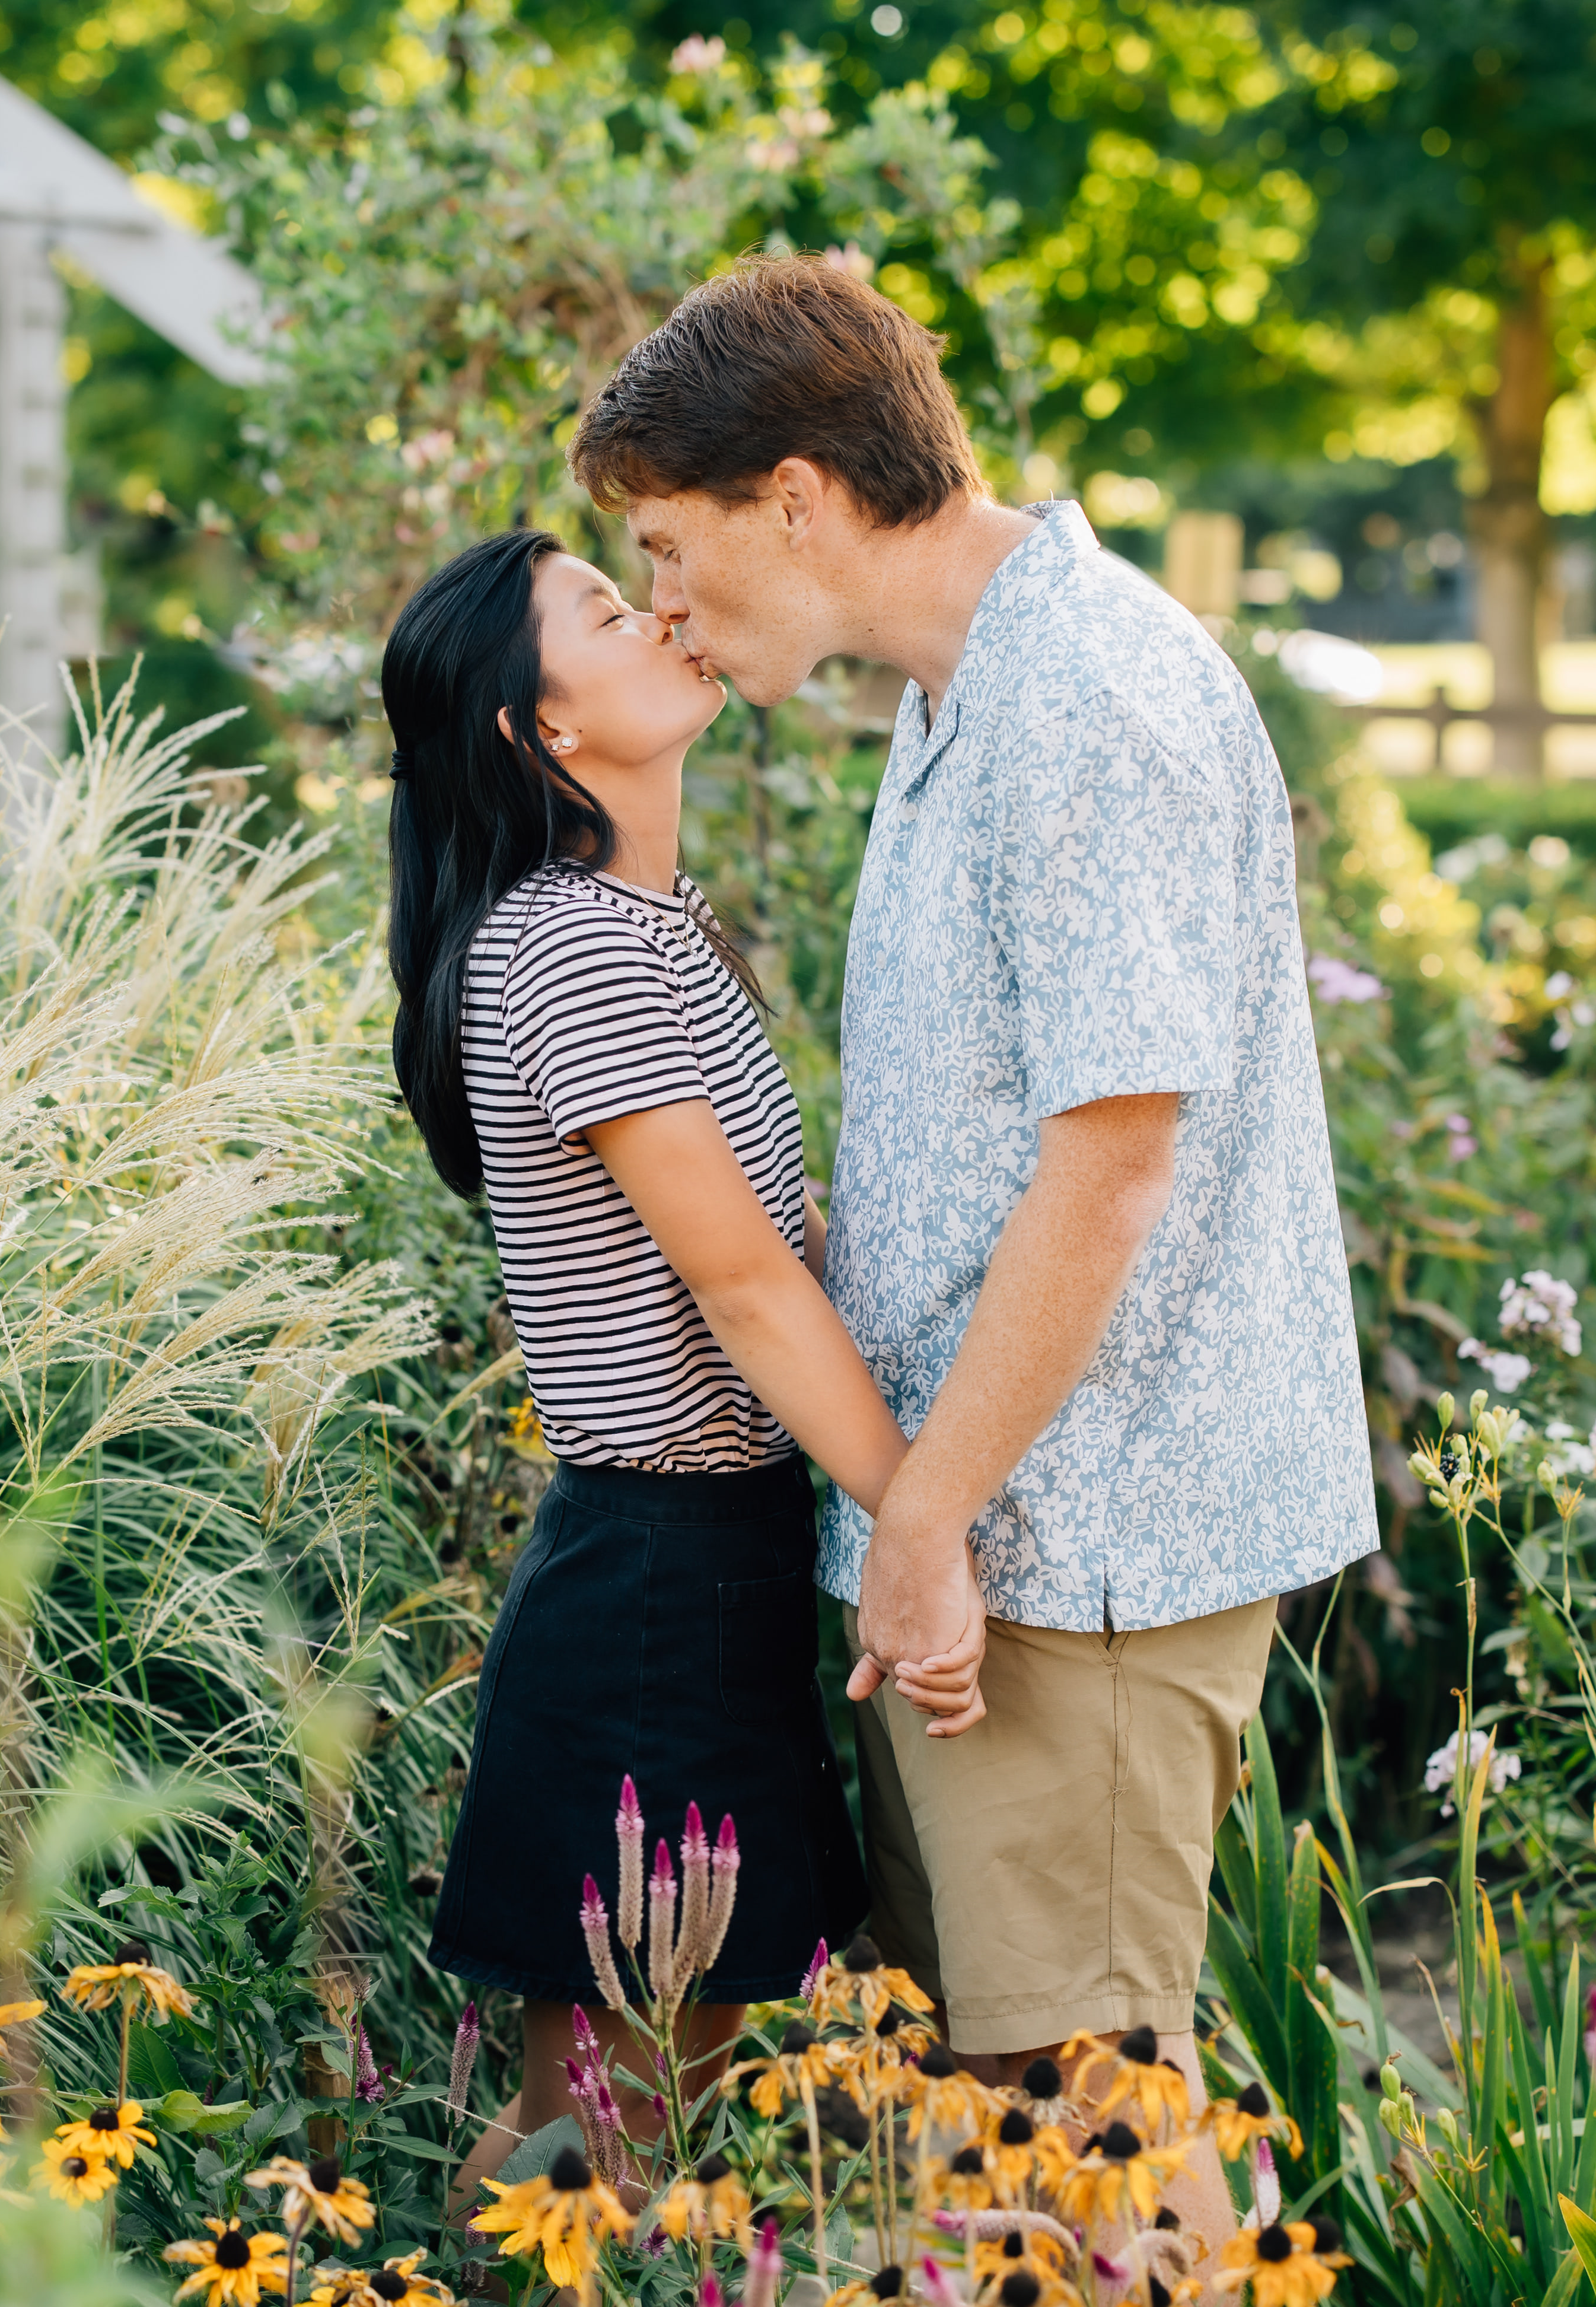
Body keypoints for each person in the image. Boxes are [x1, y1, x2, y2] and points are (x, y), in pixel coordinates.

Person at [567, 254, 1381, 2236]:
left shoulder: (1088, 697)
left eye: (669, 548)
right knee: (987, 2164)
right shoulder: (960, 699)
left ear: (795, 497)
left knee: (1084, 2155)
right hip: (981, 1547)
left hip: (1076, 1548)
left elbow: (1112, 1169)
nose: (662, 605)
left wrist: (928, 1515)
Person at [380, 530, 980, 2204]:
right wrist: (930, 1520)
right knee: (599, 2132)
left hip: (703, 1567)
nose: (651, 612)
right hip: (652, 1584)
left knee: (656, 2111)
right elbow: (749, 1292)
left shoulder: (641, 927)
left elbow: (778, 1243)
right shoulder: (570, 946)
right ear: (538, 728)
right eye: (596, 609)